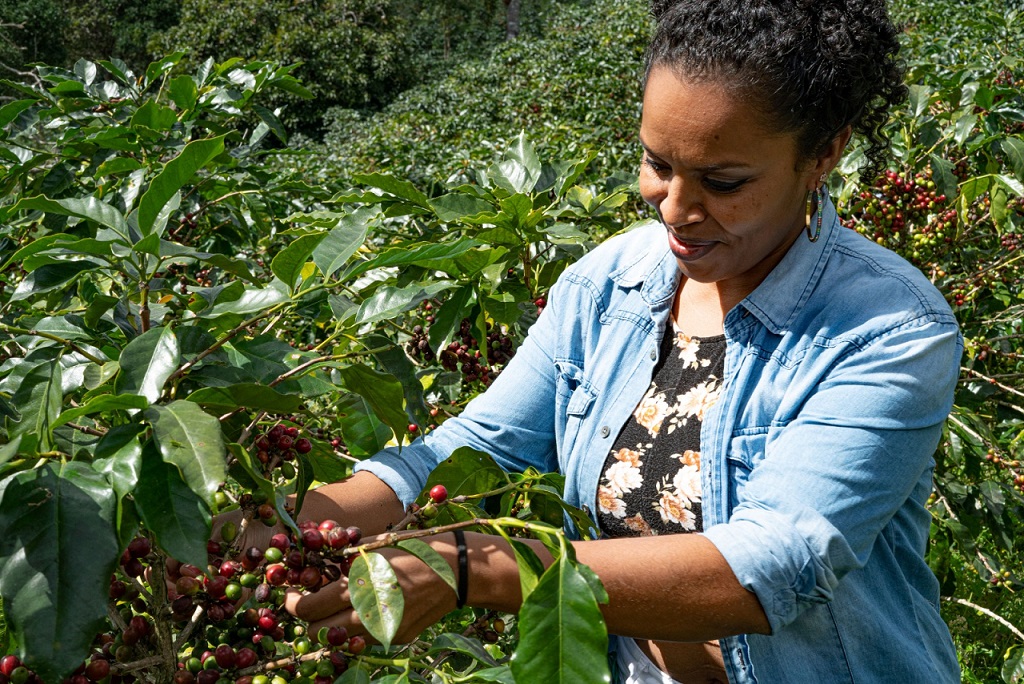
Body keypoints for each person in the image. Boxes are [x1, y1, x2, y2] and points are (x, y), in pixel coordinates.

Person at [281, 0, 964, 681]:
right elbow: (477, 449)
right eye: (657, 164)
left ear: (824, 154)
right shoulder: (611, 285)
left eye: (724, 183)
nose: (675, 208)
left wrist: (476, 567)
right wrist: (296, 525)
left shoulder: (889, 329)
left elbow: (771, 564)